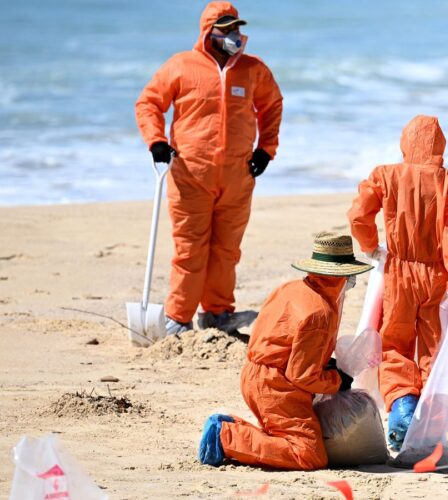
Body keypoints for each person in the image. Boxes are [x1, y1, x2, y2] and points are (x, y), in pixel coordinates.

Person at [135, 1, 283, 335]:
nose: (234, 34)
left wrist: (266, 149)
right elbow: (148, 103)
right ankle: (179, 317)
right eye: (226, 28)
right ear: (209, 31)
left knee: (226, 249)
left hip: (238, 175)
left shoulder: (253, 69)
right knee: (190, 248)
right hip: (190, 173)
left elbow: (272, 105)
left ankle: (217, 313)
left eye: (237, 28)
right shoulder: (181, 66)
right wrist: (157, 141)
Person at [346, 115, 448, 450]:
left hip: (398, 271)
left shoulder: (385, 175)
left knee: (395, 345)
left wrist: (371, 246)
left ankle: (402, 407)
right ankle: (429, 422)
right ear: (440, 147)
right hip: (436, 274)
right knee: (434, 348)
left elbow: (359, 214)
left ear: (404, 143)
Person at [197, 232, 372, 469]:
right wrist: (335, 379)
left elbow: (286, 343)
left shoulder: (290, 288)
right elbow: (302, 375)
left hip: (255, 375)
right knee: (308, 455)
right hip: (276, 387)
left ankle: (228, 426)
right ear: (340, 276)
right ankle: (225, 436)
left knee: (284, 436)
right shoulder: (320, 313)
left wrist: (324, 363)